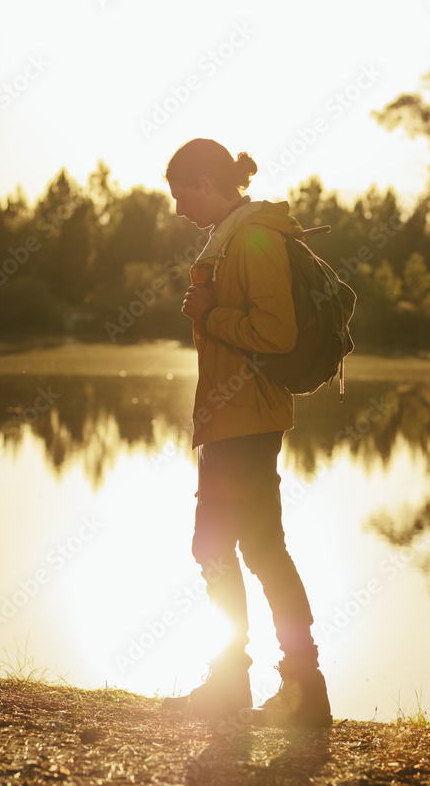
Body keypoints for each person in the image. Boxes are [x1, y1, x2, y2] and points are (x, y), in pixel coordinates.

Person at [162, 137, 332, 729]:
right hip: (225, 421)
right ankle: (231, 681)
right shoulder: (228, 236)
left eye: (182, 196)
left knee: (260, 549)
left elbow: (278, 334)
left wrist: (208, 315)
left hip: (249, 422)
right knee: (213, 547)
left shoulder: (254, 238)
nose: (179, 209)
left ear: (208, 184)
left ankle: (304, 687)